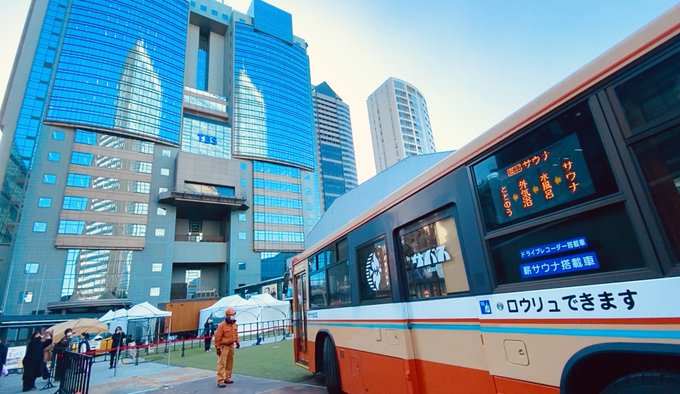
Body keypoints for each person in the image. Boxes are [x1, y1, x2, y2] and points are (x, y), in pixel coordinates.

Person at [214, 307, 240, 387]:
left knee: (229, 363)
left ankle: (227, 378)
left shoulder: (234, 324)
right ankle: (220, 380)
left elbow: (235, 334)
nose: (233, 317)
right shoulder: (222, 325)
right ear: (228, 316)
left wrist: (237, 342)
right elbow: (217, 338)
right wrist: (218, 348)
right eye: (232, 315)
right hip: (224, 346)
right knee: (222, 363)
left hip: (231, 345)